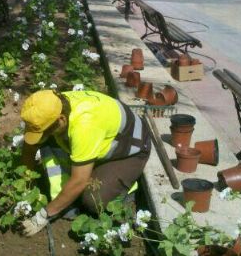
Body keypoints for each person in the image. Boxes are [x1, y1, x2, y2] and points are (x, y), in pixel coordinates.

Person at [19, 89, 151, 236]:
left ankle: (126, 188)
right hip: (99, 137)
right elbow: (29, 145)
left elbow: (79, 181)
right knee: (45, 139)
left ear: (61, 120)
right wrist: (27, 184)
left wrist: (43, 215)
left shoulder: (84, 125)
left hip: (129, 149)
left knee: (93, 199)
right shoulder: (49, 107)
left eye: (44, 130)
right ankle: (68, 192)